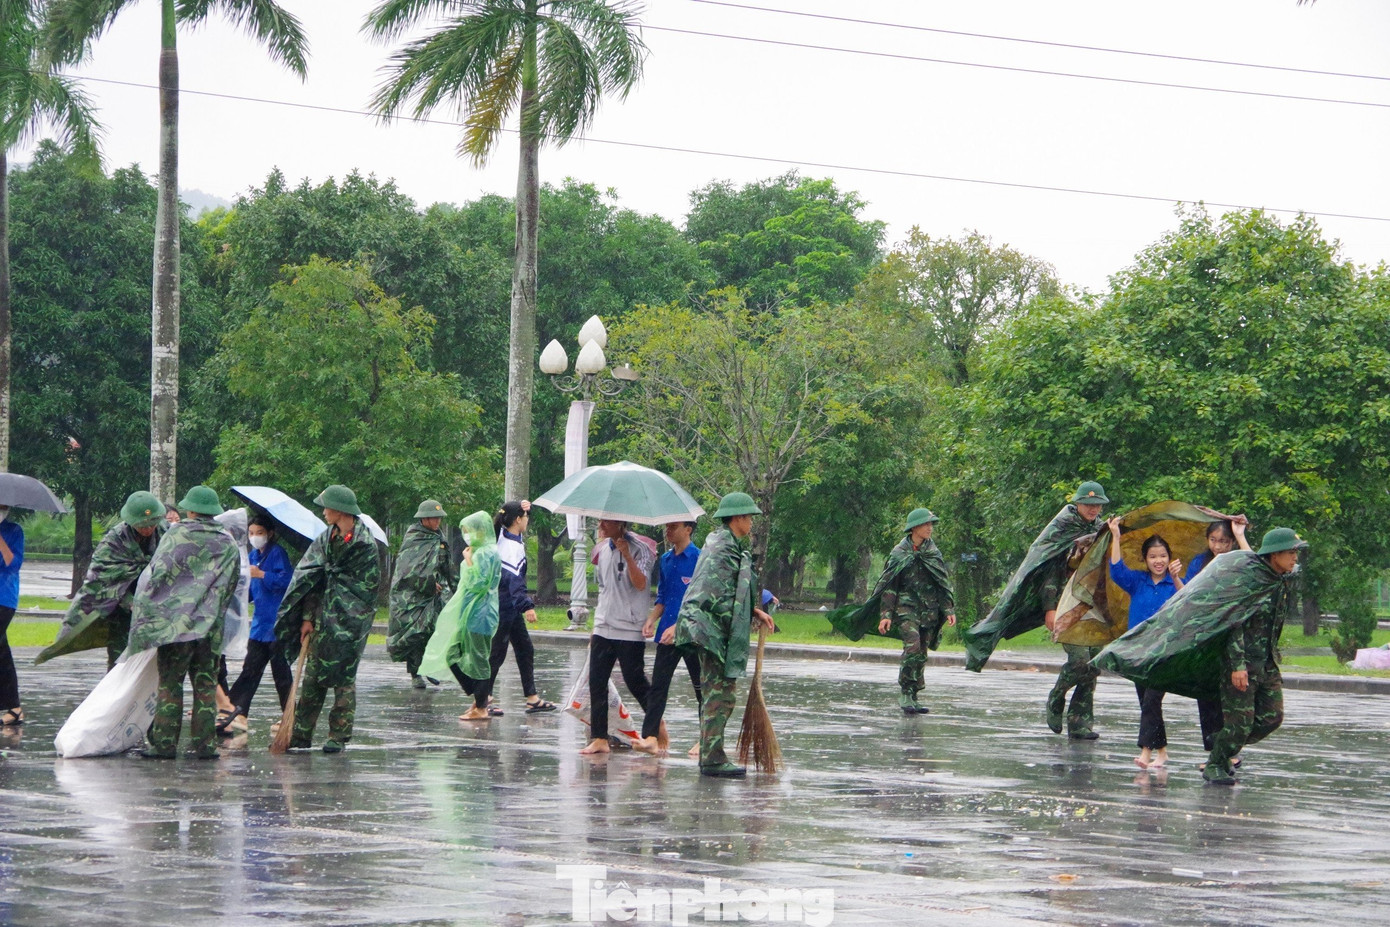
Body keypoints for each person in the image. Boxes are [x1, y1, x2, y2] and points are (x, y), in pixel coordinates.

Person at [1093, 527, 1305, 786]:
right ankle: (1217, 763)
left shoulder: (1275, 580)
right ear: (1275, 555)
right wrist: (1237, 665)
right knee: (1238, 723)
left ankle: (1220, 753)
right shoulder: (1249, 580)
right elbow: (1233, 622)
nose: (1295, 558)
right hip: (1240, 664)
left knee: (1272, 717)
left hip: (1266, 662)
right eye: (1291, 552)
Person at [963, 480, 1108, 739]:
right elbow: (1048, 569)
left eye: (1097, 505)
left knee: (1093, 665)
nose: (1093, 509)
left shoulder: (1101, 529)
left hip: (1092, 604)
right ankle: (1057, 694)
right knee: (1079, 660)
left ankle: (1080, 722)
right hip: (1065, 603)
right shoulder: (1063, 527)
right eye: (1088, 504)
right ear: (1077, 503)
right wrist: (1049, 609)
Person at [126, 486, 242, 758]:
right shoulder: (227, 541)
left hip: (176, 625)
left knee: (170, 683)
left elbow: (157, 574)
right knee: (205, 685)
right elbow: (233, 583)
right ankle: (205, 745)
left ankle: (165, 745)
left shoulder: (176, 534)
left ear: (190, 510)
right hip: (210, 626)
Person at [673, 492, 776, 778]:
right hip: (708, 629)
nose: (752, 524)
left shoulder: (722, 543)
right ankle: (712, 759)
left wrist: (754, 611)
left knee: (714, 695)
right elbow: (716, 595)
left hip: (706, 627)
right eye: (749, 518)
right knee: (720, 696)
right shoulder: (723, 548)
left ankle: (710, 755)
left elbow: (729, 591)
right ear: (738, 518)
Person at [275, 485, 381, 753]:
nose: (323, 512)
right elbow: (312, 579)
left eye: (327, 507)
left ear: (339, 510)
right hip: (322, 619)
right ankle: (300, 733)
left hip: (350, 623)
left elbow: (364, 590)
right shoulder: (325, 539)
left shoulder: (364, 545)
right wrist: (308, 617)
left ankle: (338, 735)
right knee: (313, 678)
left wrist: (347, 614)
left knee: (343, 678)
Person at [37, 491, 165, 671]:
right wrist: (130, 603)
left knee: (153, 665)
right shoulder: (114, 541)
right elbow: (99, 581)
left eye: (152, 524)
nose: (148, 529)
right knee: (119, 664)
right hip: (121, 611)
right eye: (142, 525)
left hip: (156, 611)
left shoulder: (166, 534)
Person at [1106, 521, 1184, 768]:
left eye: (1163, 556)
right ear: (1145, 559)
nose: (1158, 561)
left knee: (1151, 700)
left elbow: (1188, 599)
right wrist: (1116, 536)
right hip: (1139, 651)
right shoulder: (1137, 582)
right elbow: (1117, 570)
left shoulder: (1175, 583)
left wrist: (1176, 578)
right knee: (1147, 703)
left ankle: (1145, 752)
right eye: (1153, 557)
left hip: (1164, 651)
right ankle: (1162, 751)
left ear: (1170, 558)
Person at [866, 508, 959, 715]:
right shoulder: (899, 553)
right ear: (914, 527)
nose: (930, 528)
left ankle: (915, 694)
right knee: (913, 647)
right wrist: (885, 615)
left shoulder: (933, 552)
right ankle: (905, 690)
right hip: (905, 608)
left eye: (931, 524)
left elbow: (942, 583)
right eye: (926, 524)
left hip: (929, 609)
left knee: (922, 653)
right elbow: (890, 585)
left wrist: (948, 609)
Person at [580, 519, 656, 755]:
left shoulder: (643, 549)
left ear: (621, 523)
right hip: (605, 625)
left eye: (607, 521)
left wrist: (628, 556)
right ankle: (599, 737)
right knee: (597, 682)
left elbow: (642, 583)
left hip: (630, 627)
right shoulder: (602, 550)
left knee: (635, 681)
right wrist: (595, 626)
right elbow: (603, 590)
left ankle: (655, 723)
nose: (601, 525)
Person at [421, 512, 502, 721]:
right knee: (453, 654)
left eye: (469, 531)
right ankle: (479, 697)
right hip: (470, 613)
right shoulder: (479, 551)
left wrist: (468, 560)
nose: (466, 536)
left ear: (481, 531)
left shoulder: (486, 553)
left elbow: (479, 583)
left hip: (481, 614)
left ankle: (482, 706)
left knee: (479, 659)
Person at [220, 517, 294, 735]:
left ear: (270, 533)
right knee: (249, 670)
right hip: (260, 626)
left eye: (259, 532)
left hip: (277, 624)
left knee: (281, 675)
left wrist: (262, 574)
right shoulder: (253, 556)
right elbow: (249, 591)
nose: (255, 537)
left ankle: (290, 716)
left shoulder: (278, 554)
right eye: (251, 532)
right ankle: (237, 711)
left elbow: (287, 580)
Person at [1185, 519, 1251, 754]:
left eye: (1223, 541)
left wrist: (1240, 534)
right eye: (1213, 540)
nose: (1218, 546)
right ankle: (1213, 750)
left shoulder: (1237, 561)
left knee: (1232, 697)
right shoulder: (1199, 563)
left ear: (1231, 542)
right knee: (1207, 695)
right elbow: (1187, 592)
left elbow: (1254, 565)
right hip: (1205, 635)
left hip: (1232, 631)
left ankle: (1230, 750)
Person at [636, 521, 703, 756]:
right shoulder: (665, 560)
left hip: (692, 634)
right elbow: (663, 597)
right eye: (667, 527)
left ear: (688, 529)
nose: (668, 531)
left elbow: (700, 601)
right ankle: (651, 736)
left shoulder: (700, 559)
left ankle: (707, 738)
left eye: (674, 527)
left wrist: (679, 626)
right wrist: (651, 619)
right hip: (666, 633)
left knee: (701, 687)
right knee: (658, 686)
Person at [487, 501, 557, 714]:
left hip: (509, 606)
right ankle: (484, 700)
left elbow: (504, 513)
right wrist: (527, 606)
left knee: (525, 649)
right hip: (505, 605)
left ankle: (532, 698)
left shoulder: (504, 536)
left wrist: (525, 506)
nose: (528, 520)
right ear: (518, 520)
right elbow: (514, 580)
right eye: (526, 517)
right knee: (496, 653)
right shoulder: (511, 546)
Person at [388, 499, 454, 688]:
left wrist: (455, 587)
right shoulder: (414, 537)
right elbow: (406, 570)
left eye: (439, 519)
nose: (437, 522)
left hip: (436, 595)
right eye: (433, 519)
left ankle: (430, 666)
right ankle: (416, 673)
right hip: (412, 596)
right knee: (416, 634)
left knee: (436, 630)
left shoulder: (439, 538)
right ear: (424, 519)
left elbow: (447, 566)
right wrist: (428, 584)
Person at [0, 504, 26, 727]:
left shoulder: (14, 531)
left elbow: (13, 564)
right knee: (2, 651)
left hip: (3, 598)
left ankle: (14, 706)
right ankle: (14, 707)